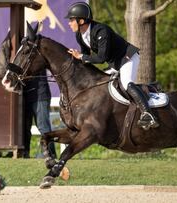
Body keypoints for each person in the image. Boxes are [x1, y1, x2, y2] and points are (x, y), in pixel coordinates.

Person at [65, 2, 159, 130]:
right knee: (101, 84)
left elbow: (100, 58)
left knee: (126, 84)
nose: (69, 23)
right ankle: (149, 88)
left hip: (127, 57)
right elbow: (86, 56)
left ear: (81, 21)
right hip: (115, 63)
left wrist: (81, 57)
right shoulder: (79, 35)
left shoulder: (101, 31)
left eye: (71, 20)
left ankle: (148, 114)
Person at [23, 70, 57, 159]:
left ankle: (50, 154)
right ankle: (24, 153)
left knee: (43, 126)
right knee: (24, 128)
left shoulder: (37, 57)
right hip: (25, 95)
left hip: (39, 95)